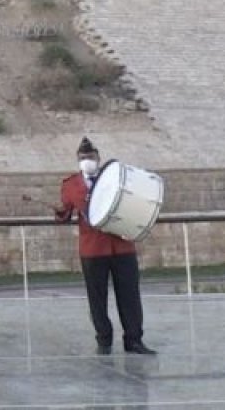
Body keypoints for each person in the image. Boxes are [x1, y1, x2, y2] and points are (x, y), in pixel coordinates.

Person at [53, 137, 156, 355]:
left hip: (121, 244)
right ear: (77, 161)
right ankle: (104, 339)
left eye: (90, 157)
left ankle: (134, 339)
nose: (87, 161)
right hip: (92, 249)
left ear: (98, 158)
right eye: (82, 158)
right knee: (97, 298)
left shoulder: (113, 178)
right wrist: (60, 211)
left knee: (129, 295)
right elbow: (66, 214)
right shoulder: (70, 184)